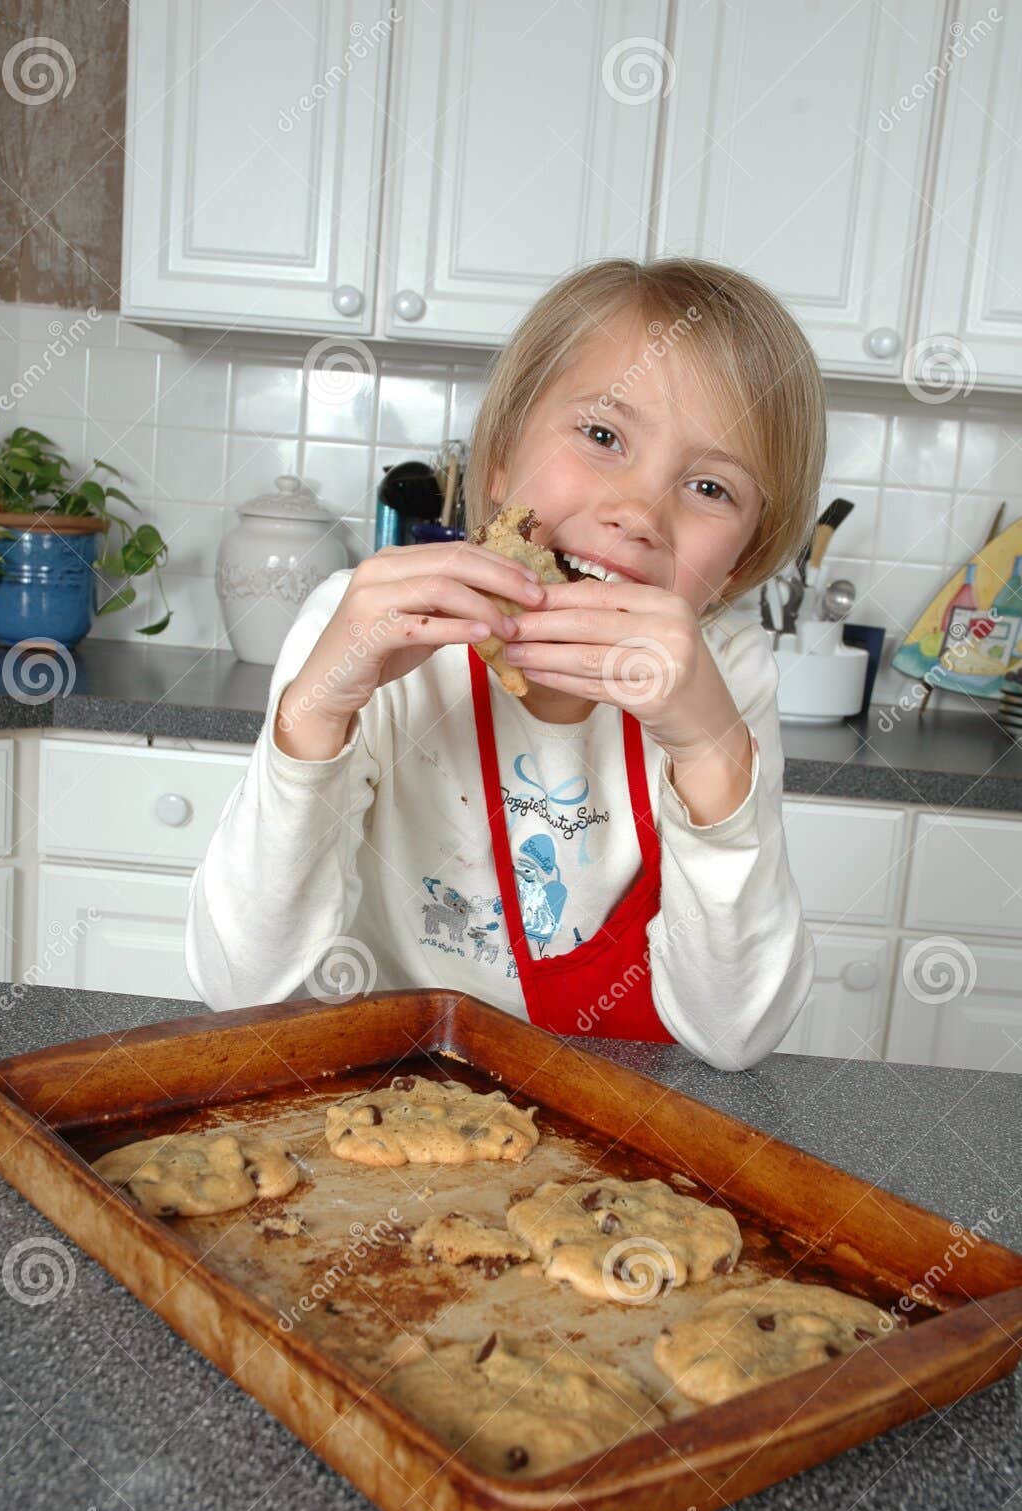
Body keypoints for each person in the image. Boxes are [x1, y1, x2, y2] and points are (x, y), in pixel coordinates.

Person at [185, 257, 825, 1069]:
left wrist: (710, 751)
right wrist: (315, 715)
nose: (636, 512)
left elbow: (737, 1036)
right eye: (602, 436)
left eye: (708, 486)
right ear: (499, 461)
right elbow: (241, 989)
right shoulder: (365, 632)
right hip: (386, 1103)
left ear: (736, 567)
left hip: (611, 1132)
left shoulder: (726, 674)